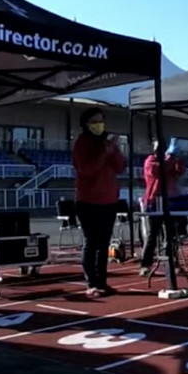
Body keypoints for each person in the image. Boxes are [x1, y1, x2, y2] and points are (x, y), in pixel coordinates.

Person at [71, 107, 126, 297]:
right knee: (91, 242)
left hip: (108, 200)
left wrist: (114, 149)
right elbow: (87, 169)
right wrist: (105, 151)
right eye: (94, 121)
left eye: (101, 121)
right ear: (86, 124)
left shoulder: (106, 143)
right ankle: (91, 283)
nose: (99, 125)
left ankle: (102, 282)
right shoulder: (82, 143)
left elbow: (119, 167)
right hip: (88, 201)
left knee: (103, 244)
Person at [139, 137, 187, 275]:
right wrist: (170, 159)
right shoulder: (150, 161)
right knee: (152, 235)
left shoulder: (169, 162)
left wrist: (177, 159)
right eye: (157, 148)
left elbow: (180, 170)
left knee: (170, 236)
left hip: (169, 202)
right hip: (153, 202)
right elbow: (156, 171)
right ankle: (145, 265)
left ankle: (172, 262)